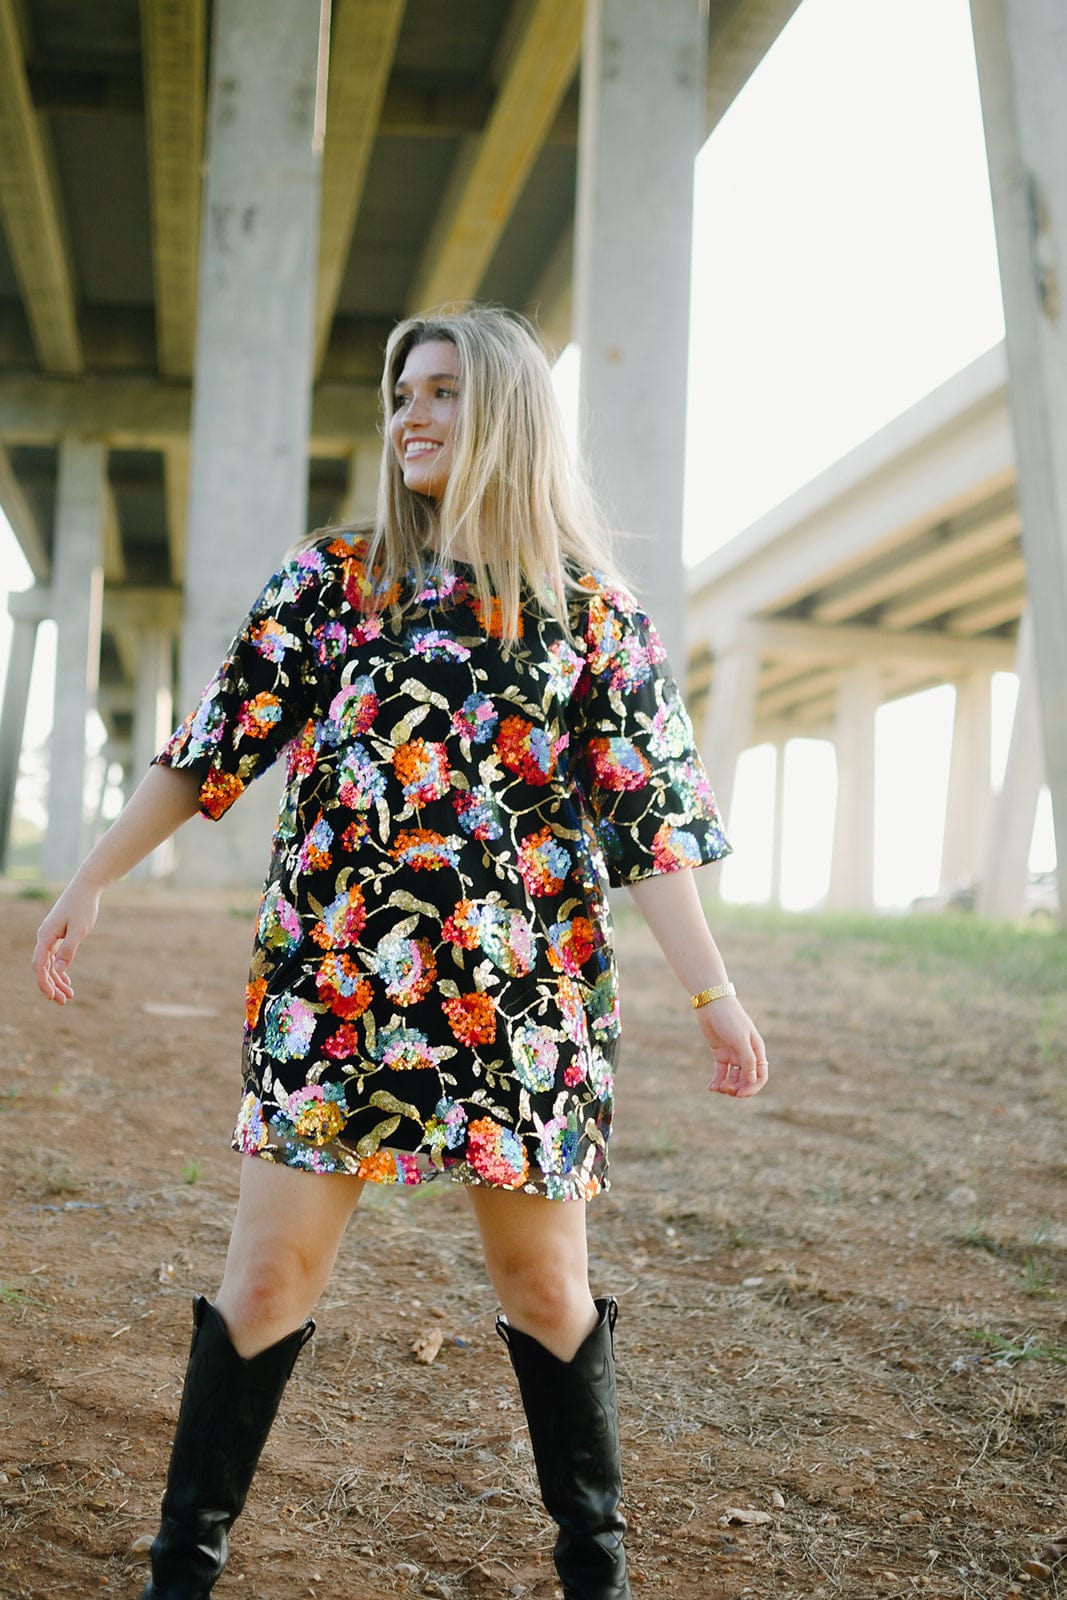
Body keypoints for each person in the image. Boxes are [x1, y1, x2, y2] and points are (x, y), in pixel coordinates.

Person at [32, 304, 768, 1600]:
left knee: (548, 1292)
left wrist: (713, 994)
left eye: (438, 393)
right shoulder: (334, 581)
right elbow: (213, 748)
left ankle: (596, 1576)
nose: (409, 417)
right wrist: (90, 878)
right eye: (401, 395)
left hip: (518, 1010)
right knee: (264, 1281)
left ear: (505, 416)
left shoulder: (593, 618)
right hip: (339, 996)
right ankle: (177, 1578)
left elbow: (649, 825)